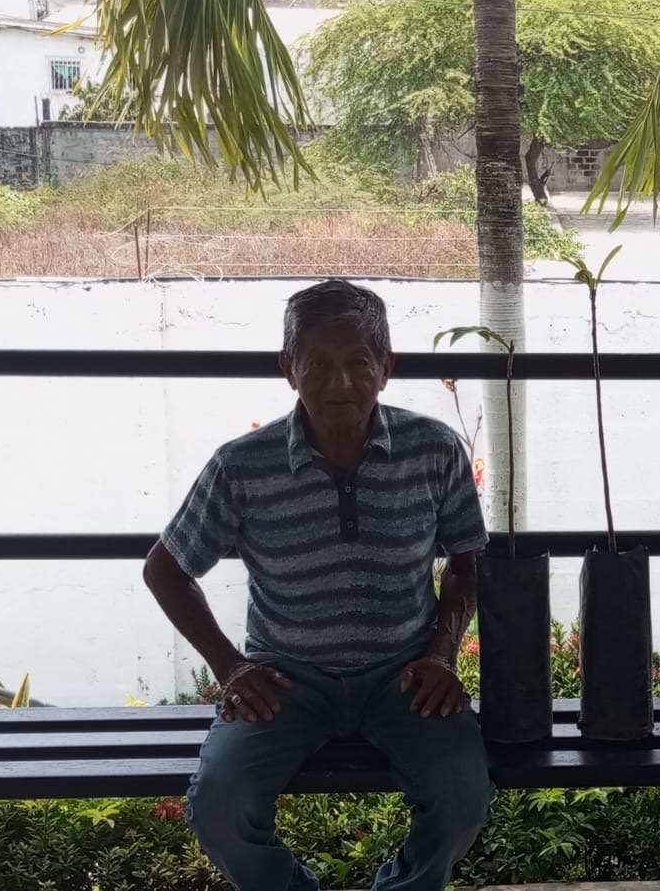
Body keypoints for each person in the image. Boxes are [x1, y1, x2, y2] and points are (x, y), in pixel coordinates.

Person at [142, 279, 493, 891]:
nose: (341, 383)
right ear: (288, 368)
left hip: (404, 675)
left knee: (463, 795)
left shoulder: (433, 449)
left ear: (386, 367)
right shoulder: (242, 466)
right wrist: (231, 668)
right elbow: (165, 570)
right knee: (220, 806)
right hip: (285, 679)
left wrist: (442, 654)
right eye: (318, 365)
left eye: (359, 362)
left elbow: (466, 562)